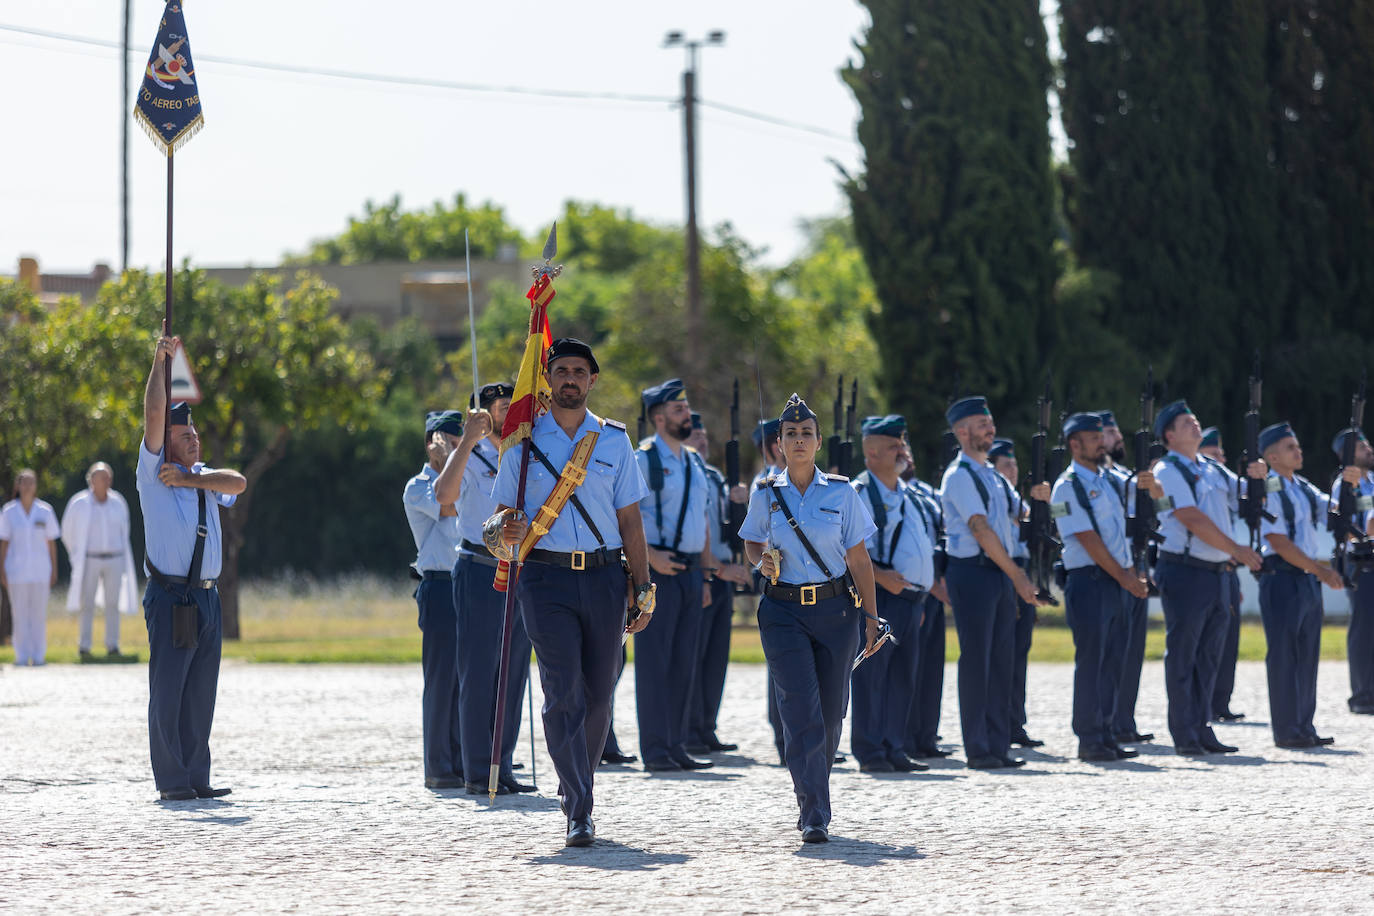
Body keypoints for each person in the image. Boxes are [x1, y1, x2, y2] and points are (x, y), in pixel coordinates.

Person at [488, 337, 653, 848]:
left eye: (579, 372)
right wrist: (506, 529)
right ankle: (579, 807)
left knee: (599, 692)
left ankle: (577, 780)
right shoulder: (523, 440)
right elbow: (496, 520)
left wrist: (643, 587)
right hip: (546, 579)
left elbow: (631, 521)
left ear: (592, 380)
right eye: (561, 370)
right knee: (562, 692)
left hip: (605, 577)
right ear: (547, 378)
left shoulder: (613, 441)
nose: (570, 380)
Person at [740, 393, 879, 843]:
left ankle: (814, 791)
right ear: (779, 443)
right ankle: (814, 809)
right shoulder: (766, 493)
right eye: (790, 434)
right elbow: (751, 542)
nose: (798, 440)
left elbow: (859, 559)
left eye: (806, 433)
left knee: (832, 712)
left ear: (818, 442)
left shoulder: (842, 491)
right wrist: (761, 560)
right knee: (799, 709)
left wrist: (872, 617)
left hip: (836, 611)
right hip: (782, 611)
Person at [137, 326, 246, 800]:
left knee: (201, 693)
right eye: (185, 435)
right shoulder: (153, 473)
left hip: (206, 598)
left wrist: (191, 479)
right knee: (169, 692)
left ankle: (198, 776)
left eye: (196, 433)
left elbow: (238, 482)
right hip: (171, 595)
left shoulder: (202, 477)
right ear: (165, 442)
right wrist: (159, 362)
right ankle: (173, 781)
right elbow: (154, 413)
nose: (195, 439)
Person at [433, 383, 535, 796]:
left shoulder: (524, 455)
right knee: (478, 672)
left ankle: (502, 765)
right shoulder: (470, 455)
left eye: (513, 406)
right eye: (501, 407)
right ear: (484, 414)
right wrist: (467, 440)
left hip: (519, 567)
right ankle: (478, 771)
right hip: (479, 566)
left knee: (513, 672)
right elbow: (444, 494)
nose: (509, 413)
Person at [940, 396, 1050, 770]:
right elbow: (981, 529)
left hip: (998, 574)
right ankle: (978, 747)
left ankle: (998, 744)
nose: (990, 428)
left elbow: (1023, 516)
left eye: (990, 422)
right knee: (977, 659)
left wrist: (1041, 502)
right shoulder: (960, 476)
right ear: (961, 431)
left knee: (1002, 659)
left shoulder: (995, 477)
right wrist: (1019, 576)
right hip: (973, 573)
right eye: (981, 423)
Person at [1151, 400, 1263, 756]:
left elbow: (1246, 494)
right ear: (1170, 435)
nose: (1195, 424)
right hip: (1185, 570)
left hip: (1216, 573)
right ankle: (1184, 733)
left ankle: (1202, 727)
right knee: (1184, 655)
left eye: (1195, 419)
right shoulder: (1168, 470)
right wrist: (1236, 549)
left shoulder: (1212, 469)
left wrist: (1260, 477)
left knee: (1209, 656)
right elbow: (1191, 517)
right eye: (1187, 422)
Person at [1050, 413, 1158, 761]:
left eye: (1101, 437)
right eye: (1093, 438)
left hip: (1116, 582)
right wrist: (1126, 578)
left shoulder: (1109, 482)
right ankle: (1090, 738)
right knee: (1093, 661)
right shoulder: (1068, 486)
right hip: (1090, 582)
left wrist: (1133, 574)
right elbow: (1089, 539)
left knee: (1114, 662)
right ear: (1074, 444)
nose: (1102, 443)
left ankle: (1107, 732)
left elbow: (1121, 537)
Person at [633, 378, 714, 772]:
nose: (688, 415)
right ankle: (655, 749)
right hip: (657, 571)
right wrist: (650, 559)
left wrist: (707, 574)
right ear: (659, 418)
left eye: (686, 408)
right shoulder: (644, 459)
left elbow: (703, 520)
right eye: (679, 410)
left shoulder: (695, 461)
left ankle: (677, 744)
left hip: (691, 572)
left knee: (685, 661)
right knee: (655, 662)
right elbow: (624, 518)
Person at [1257, 423, 1352, 748]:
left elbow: (1335, 513)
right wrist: (1321, 571)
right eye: (1290, 447)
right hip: (1282, 577)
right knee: (1284, 655)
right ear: (1272, 457)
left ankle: (1304, 726)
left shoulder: (1303, 487)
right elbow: (1278, 541)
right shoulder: (1269, 488)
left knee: (1307, 656)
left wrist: (1349, 489)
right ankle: (1287, 730)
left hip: (1306, 579)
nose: (1298, 452)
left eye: (1297, 446)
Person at [850, 415, 934, 774]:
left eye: (902, 444)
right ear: (871, 452)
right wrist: (883, 577)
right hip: (879, 598)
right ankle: (870, 751)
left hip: (910, 600)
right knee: (872, 677)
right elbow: (847, 552)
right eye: (893, 446)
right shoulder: (858, 493)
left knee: (902, 677)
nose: (903, 451)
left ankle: (894, 746)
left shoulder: (908, 493)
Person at [404, 409, 468, 790]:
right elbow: (451, 503)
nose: (460, 451)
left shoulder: (465, 477)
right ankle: (439, 765)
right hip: (440, 585)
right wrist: (448, 462)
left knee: (466, 680)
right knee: (442, 680)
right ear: (433, 444)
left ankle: (462, 759)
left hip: (467, 584)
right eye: (452, 443)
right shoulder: (418, 486)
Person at [685, 412, 751, 754]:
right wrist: (716, 571)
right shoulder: (687, 476)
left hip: (722, 575)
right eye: (694, 435)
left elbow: (728, 529)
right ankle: (688, 729)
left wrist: (740, 503)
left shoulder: (715, 478)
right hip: (703, 573)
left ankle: (706, 727)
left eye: (704, 435)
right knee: (693, 657)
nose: (702, 440)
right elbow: (695, 533)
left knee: (714, 660)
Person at [1097, 410, 1156, 745]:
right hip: (1111, 569)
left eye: (1117, 431)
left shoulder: (1126, 476)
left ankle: (1123, 721)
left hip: (1136, 564)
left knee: (1132, 651)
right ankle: (1103, 724)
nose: (1118, 438)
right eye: (1110, 432)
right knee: (1108, 653)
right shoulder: (1095, 479)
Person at [989, 437, 1044, 749]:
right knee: (1000, 653)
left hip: (1022, 571)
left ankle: (1015, 722)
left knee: (1019, 651)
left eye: (1014, 464)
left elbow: (1035, 525)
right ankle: (999, 723)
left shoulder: (1016, 499)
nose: (1012, 469)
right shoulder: (993, 496)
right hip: (1002, 571)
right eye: (1006, 464)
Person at [900, 445, 952, 760]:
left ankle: (926, 736)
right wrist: (932, 583)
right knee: (909, 669)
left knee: (932, 668)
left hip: (934, 587)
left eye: (908, 450)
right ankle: (904, 738)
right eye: (899, 450)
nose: (907, 457)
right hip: (912, 588)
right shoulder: (889, 495)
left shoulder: (927, 494)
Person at [61, 462, 139, 661]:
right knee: (87, 603)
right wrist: (76, 555)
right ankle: (84, 646)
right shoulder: (79, 503)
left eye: (108, 476)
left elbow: (125, 530)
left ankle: (113, 645)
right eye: (102, 477)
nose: (107, 480)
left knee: (113, 603)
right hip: (90, 559)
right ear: (92, 479)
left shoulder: (118, 502)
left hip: (115, 558)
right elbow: (67, 531)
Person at [1198, 426, 1246, 722]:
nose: (1221, 459)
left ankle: (1221, 701)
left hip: (1228, 571)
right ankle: (1205, 703)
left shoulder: (1223, 484)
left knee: (1229, 641)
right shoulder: (1200, 485)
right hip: (1206, 568)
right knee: (1206, 643)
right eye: (1214, 453)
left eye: (1222, 454)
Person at [1330, 427, 1374, 715]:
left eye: (1367, 444)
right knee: (1364, 628)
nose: (1368, 449)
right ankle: (1362, 695)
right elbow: (1341, 524)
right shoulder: (1342, 485)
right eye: (1361, 447)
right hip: (1361, 561)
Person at [0, 469, 61, 667]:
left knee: (38, 614)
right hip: (16, 572)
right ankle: (21, 656)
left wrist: (54, 569)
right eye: (24, 482)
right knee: (19, 614)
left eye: (31, 482)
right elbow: (4, 543)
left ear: (36, 486)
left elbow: (51, 543)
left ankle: (38, 656)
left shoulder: (45, 510)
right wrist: (2, 569)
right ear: (17, 486)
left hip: (41, 571)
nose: (27, 487)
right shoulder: (9, 511)